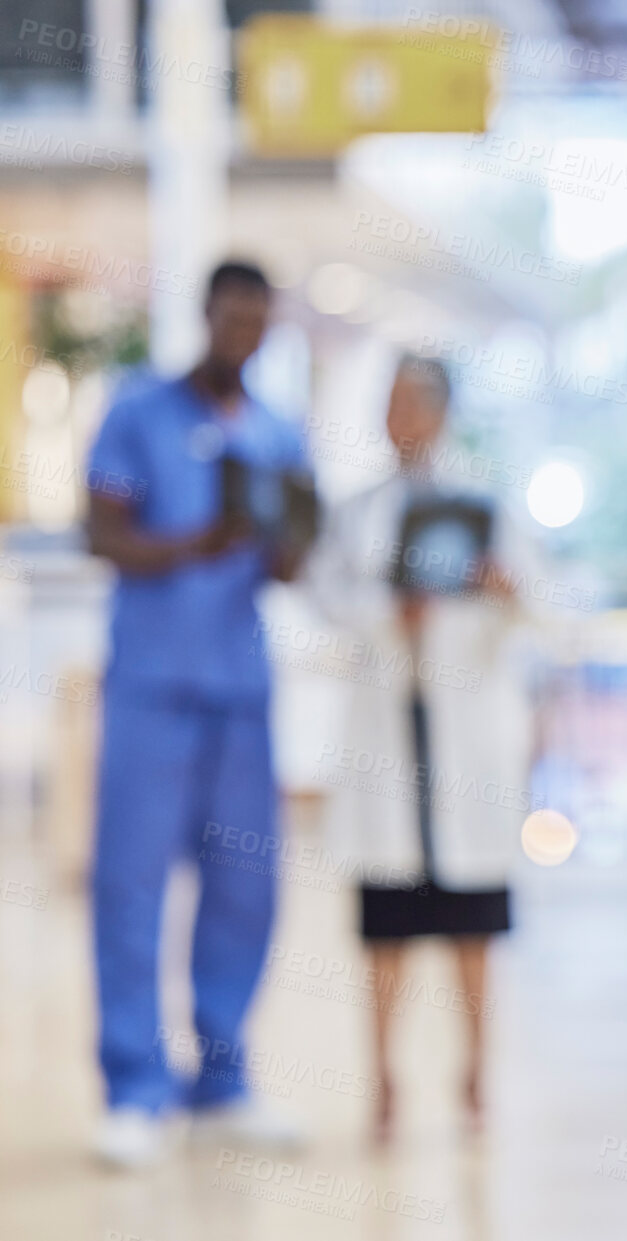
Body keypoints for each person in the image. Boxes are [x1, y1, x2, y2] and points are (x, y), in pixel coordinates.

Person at [85, 259, 313, 1168]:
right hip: (152, 686)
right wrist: (196, 543)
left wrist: (290, 545)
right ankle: (134, 1084)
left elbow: (288, 562)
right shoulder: (138, 412)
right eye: (232, 318)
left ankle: (222, 1080)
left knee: (245, 890)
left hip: (241, 691)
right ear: (206, 314)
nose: (243, 335)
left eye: (259, 323)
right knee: (131, 887)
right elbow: (100, 533)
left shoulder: (277, 433)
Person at [304, 354, 541, 1144]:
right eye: (391, 404)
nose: (402, 419)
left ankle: (475, 1078)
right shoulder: (356, 510)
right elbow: (328, 594)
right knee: (388, 928)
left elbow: (537, 601)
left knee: (473, 925)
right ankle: (383, 1084)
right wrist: (386, 611)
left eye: (416, 404)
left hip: (464, 733)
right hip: (387, 732)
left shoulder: (484, 502)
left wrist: (503, 591)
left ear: (441, 414)